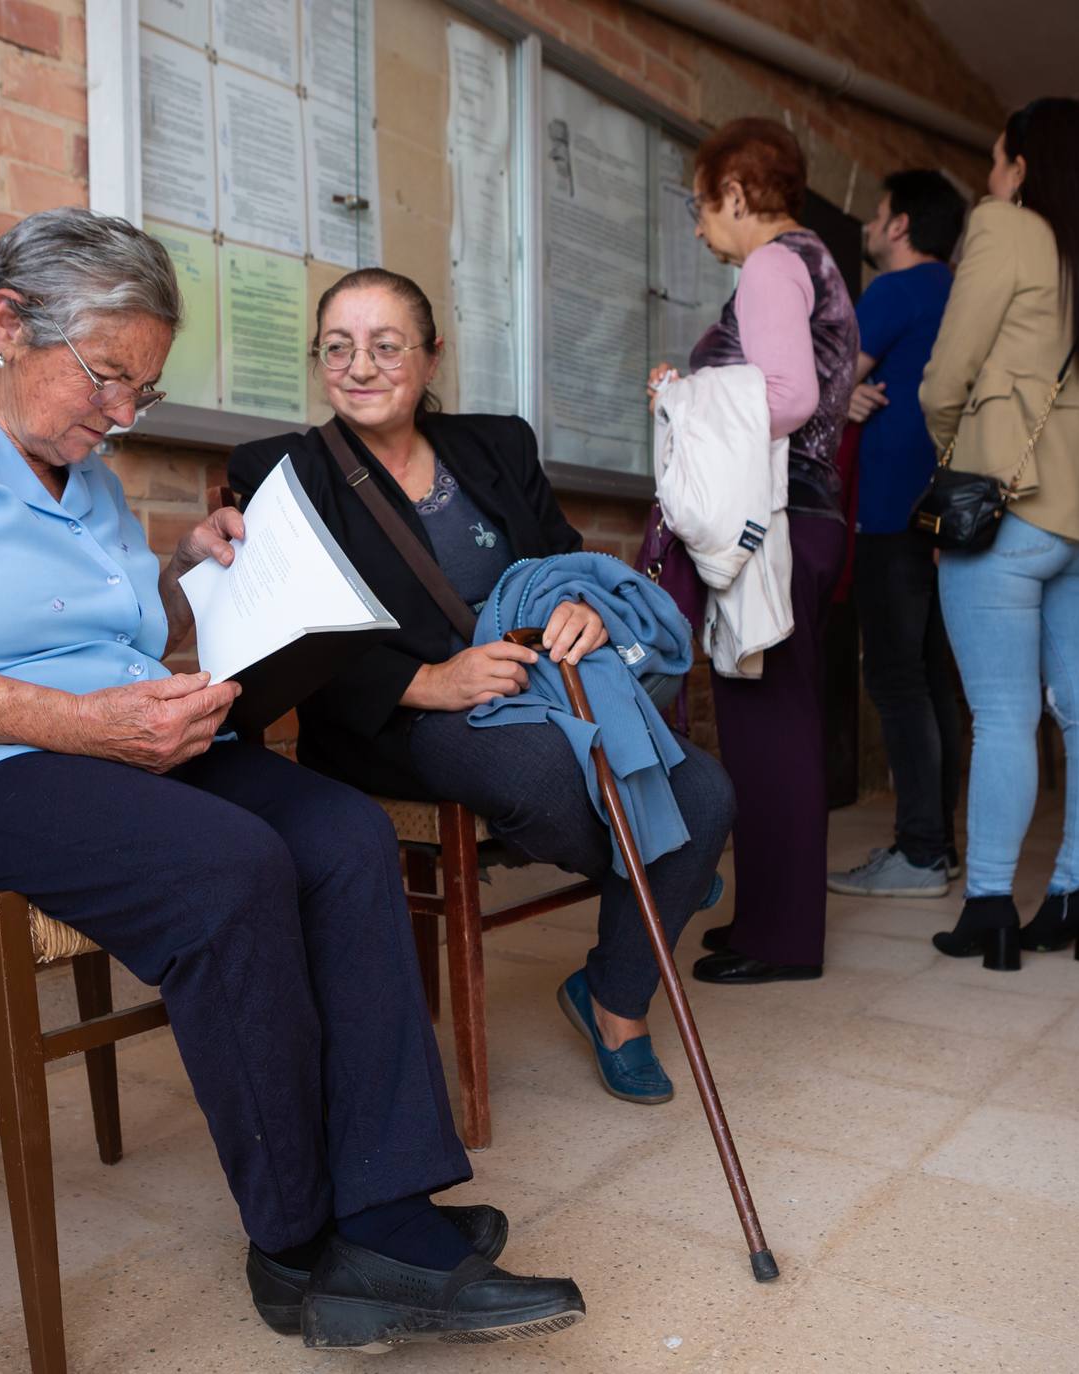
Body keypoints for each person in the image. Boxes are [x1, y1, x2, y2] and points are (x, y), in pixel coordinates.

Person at [0, 210, 584, 1351]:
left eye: (141, 393)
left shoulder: (82, 469)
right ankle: (301, 1253)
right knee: (224, 863)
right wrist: (89, 724)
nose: (119, 415)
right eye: (107, 379)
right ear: (8, 324)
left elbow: (104, 632)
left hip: (93, 746)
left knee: (343, 832)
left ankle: (388, 1210)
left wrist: (194, 583)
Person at [228, 268, 735, 1108]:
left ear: (430, 358)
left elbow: (561, 557)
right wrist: (426, 680)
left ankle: (612, 996)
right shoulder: (279, 471)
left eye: (386, 346)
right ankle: (663, 861)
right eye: (338, 348)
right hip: (399, 718)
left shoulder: (496, 444)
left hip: (542, 686)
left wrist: (581, 608)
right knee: (542, 780)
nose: (360, 366)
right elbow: (286, 633)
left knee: (708, 792)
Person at [920, 98, 1079, 969]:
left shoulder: (1003, 229)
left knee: (1003, 714)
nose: (988, 177)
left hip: (1008, 500)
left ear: (1023, 166)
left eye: (996, 159)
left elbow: (946, 375)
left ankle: (990, 907)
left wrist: (959, 462)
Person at [644, 116, 860, 985]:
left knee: (767, 727)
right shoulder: (815, 262)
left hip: (771, 522)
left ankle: (779, 939)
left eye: (702, 204)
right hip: (805, 518)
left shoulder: (772, 262)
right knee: (783, 720)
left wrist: (682, 394)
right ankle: (770, 920)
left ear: (736, 193)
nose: (700, 226)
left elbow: (787, 395)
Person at [827, 169, 969, 899]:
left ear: (902, 225)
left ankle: (917, 853)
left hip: (886, 512)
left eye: (879, 216)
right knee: (933, 680)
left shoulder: (893, 292)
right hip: (946, 514)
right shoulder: (963, 295)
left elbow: (825, 385)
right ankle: (937, 846)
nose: (875, 229)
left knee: (894, 680)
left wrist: (840, 393)